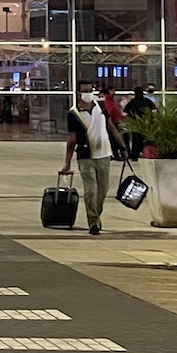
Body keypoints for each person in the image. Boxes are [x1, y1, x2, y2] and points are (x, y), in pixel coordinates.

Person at [60, 80, 116, 236]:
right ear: (78, 93)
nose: (88, 93)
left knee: (103, 190)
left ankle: (96, 215)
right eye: (85, 91)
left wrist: (122, 146)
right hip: (85, 156)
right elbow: (72, 140)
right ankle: (93, 222)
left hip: (104, 154)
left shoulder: (101, 107)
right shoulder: (73, 114)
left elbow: (110, 126)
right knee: (90, 190)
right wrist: (67, 163)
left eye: (90, 90)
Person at [123, 82, 156, 159]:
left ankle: (135, 155)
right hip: (146, 124)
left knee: (135, 140)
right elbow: (154, 109)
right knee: (144, 140)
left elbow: (126, 112)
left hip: (135, 124)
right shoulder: (147, 101)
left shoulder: (133, 102)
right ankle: (144, 153)